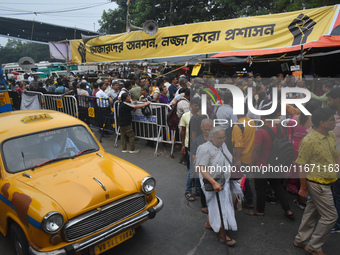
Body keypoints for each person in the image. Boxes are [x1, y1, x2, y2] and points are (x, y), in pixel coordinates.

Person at [294, 107, 339, 255]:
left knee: (311, 212)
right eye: (331, 120)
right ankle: (314, 246)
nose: (334, 122)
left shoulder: (330, 136)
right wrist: (303, 187)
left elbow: (335, 155)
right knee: (331, 216)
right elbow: (301, 165)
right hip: (317, 183)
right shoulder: (308, 140)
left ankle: (301, 240)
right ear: (322, 122)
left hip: (328, 180)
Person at [246, 103, 294, 219]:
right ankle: (287, 210)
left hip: (263, 164)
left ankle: (260, 210)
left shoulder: (261, 131)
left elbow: (256, 150)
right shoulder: (281, 128)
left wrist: (251, 165)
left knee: (260, 188)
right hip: (277, 163)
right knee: (278, 186)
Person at [196, 126, 237, 245]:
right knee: (220, 208)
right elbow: (202, 169)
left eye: (224, 137)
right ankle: (223, 235)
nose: (222, 140)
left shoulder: (222, 145)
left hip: (224, 181)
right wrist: (214, 183)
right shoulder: (204, 149)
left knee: (216, 205)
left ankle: (209, 223)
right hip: (212, 183)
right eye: (219, 138)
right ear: (211, 137)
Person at [181, 98, 201, 202]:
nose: (197, 107)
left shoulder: (201, 116)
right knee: (192, 170)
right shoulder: (186, 116)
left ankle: (197, 189)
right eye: (195, 105)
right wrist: (183, 146)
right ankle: (188, 191)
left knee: (198, 170)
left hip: (199, 147)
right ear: (191, 105)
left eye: (198, 105)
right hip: (190, 146)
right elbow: (183, 131)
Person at [191, 119, 213, 214]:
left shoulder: (216, 139)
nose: (207, 132)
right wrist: (197, 168)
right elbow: (194, 155)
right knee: (203, 186)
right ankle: (204, 205)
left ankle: (213, 204)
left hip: (214, 168)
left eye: (210, 129)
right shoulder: (197, 141)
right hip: (203, 169)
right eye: (205, 130)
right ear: (201, 128)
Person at [327, 88, 340, 233]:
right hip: (331, 161)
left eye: (330, 99)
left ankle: (337, 224)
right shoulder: (334, 116)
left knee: (337, 194)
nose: (328, 102)